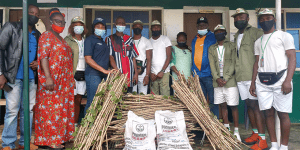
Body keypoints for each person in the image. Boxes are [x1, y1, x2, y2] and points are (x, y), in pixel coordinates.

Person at [250, 8, 296, 150]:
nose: (265, 21)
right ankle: (274, 145)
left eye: (268, 18)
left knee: (283, 114)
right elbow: (257, 62)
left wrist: (288, 80)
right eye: (262, 19)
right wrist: (253, 83)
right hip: (262, 81)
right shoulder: (258, 41)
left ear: (274, 19)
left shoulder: (284, 36)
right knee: (268, 113)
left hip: (281, 79)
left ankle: (284, 146)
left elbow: (292, 58)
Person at [0, 4, 40, 150]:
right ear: (24, 12)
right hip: (12, 77)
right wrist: (1, 74)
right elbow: (0, 49)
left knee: (28, 111)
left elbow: (39, 56)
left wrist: (38, 62)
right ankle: (8, 144)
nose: (33, 15)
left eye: (36, 13)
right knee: (12, 110)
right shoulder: (11, 27)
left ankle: (24, 141)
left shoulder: (37, 34)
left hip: (30, 78)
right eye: (31, 12)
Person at [34, 8, 75, 149]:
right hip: (52, 80)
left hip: (63, 82)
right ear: (51, 22)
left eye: (63, 22)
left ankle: (61, 137)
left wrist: (71, 79)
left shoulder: (61, 39)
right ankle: (50, 140)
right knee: (50, 110)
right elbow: (43, 57)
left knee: (61, 110)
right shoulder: (46, 35)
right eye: (58, 21)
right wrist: (48, 77)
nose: (61, 24)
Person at [231, 8, 265, 148]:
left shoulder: (256, 33)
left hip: (252, 76)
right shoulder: (235, 36)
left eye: (241, 17)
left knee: (256, 106)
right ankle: (255, 133)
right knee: (249, 105)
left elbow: (262, 55)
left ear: (248, 19)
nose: (239, 20)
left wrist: (256, 78)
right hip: (240, 76)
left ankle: (262, 139)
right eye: (236, 18)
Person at [208, 24, 240, 141]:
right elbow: (212, 64)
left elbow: (234, 63)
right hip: (217, 82)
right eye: (217, 32)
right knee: (222, 105)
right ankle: (226, 129)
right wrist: (217, 78)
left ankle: (236, 131)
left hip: (229, 81)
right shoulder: (212, 48)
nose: (219, 33)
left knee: (233, 106)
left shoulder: (231, 46)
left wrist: (225, 78)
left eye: (221, 31)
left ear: (225, 33)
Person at [191, 17, 219, 118]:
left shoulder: (213, 37)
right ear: (197, 27)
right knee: (201, 100)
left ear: (207, 26)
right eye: (199, 25)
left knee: (213, 99)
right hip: (197, 74)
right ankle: (204, 121)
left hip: (209, 74)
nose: (201, 27)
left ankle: (215, 121)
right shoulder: (195, 39)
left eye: (203, 25)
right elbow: (194, 55)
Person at [84, 17, 112, 115]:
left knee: (100, 102)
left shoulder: (103, 42)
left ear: (105, 29)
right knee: (92, 102)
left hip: (102, 76)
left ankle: (94, 126)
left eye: (102, 27)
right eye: (97, 26)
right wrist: (104, 71)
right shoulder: (90, 40)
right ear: (93, 28)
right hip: (93, 75)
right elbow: (88, 59)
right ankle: (87, 128)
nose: (100, 28)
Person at [64, 16, 88, 126]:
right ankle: (68, 124)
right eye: (76, 25)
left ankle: (75, 123)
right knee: (71, 99)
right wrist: (69, 76)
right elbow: (65, 59)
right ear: (72, 27)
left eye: (80, 25)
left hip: (84, 73)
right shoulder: (67, 40)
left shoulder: (86, 41)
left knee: (78, 99)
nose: (78, 27)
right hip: (73, 72)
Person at [106, 16, 139, 93]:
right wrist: (118, 72)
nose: (121, 25)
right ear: (115, 24)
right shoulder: (110, 39)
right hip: (117, 76)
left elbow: (133, 57)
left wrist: (136, 73)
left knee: (128, 100)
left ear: (125, 25)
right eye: (119, 23)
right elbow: (110, 57)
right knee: (116, 99)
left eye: (123, 23)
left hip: (129, 76)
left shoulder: (130, 39)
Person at [150, 20, 172, 96]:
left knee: (165, 96)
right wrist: (150, 73)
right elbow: (148, 59)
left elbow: (169, 57)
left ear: (160, 29)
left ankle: (166, 108)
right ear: (151, 29)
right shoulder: (149, 41)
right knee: (154, 97)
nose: (156, 29)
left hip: (164, 72)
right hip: (153, 74)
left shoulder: (165, 39)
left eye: (158, 27)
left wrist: (162, 71)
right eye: (154, 27)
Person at [132, 20, 153, 94]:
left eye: (139, 27)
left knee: (142, 94)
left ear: (142, 28)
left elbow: (149, 59)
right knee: (132, 94)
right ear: (132, 28)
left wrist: (147, 75)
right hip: (132, 72)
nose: (137, 28)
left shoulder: (146, 41)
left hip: (143, 71)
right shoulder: (129, 41)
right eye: (136, 26)